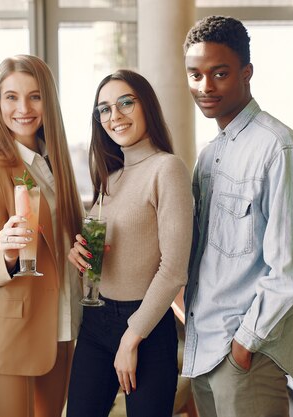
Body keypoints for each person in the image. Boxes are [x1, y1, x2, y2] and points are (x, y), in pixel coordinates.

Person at [182, 16, 293, 417]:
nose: (205, 87)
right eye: (195, 75)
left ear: (247, 73)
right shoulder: (209, 155)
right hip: (204, 349)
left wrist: (245, 343)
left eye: (219, 73)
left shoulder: (279, 149)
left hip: (245, 355)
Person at [66, 69, 194, 417]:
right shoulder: (109, 176)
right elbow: (107, 252)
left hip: (146, 328)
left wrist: (131, 337)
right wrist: (77, 253)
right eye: (104, 108)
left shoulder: (167, 169)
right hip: (96, 322)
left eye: (125, 103)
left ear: (146, 105)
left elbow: (173, 269)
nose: (115, 115)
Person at [0, 54, 83, 417]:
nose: (23, 108)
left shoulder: (55, 165)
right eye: (11, 97)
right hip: (8, 338)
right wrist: (9, 257)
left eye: (35, 96)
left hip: (61, 327)